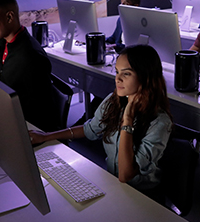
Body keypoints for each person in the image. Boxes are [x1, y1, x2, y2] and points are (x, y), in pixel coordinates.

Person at [30, 44, 173, 197]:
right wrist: (46, 136)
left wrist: (128, 121)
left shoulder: (160, 122)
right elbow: (89, 129)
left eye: (126, 74)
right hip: (114, 184)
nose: (117, 79)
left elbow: (126, 175)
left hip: (143, 196)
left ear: (146, 77)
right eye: (117, 72)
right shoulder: (115, 100)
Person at [0, 0, 59, 132]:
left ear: (9, 17)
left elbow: (26, 107)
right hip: (16, 118)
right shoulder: (6, 40)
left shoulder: (28, 56)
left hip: (32, 129)